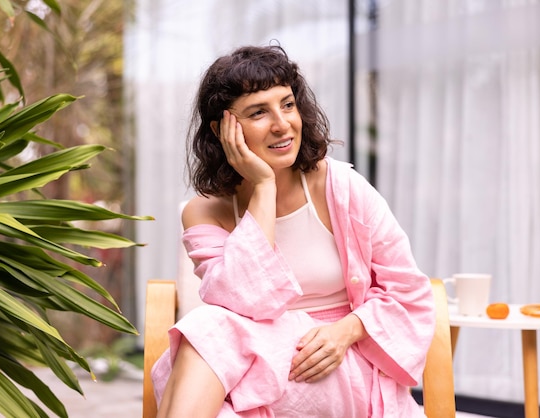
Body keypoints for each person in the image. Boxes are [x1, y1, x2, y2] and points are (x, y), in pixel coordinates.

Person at [151, 44, 435, 418]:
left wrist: (348, 330)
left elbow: (409, 292)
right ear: (223, 130)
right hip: (249, 363)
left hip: (330, 361)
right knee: (211, 341)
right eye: (258, 112)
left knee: (206, 336)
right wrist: (263, 187)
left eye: (287, 104)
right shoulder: (204, 211)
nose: (282, 124)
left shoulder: (342, 188)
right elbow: (243, 303)